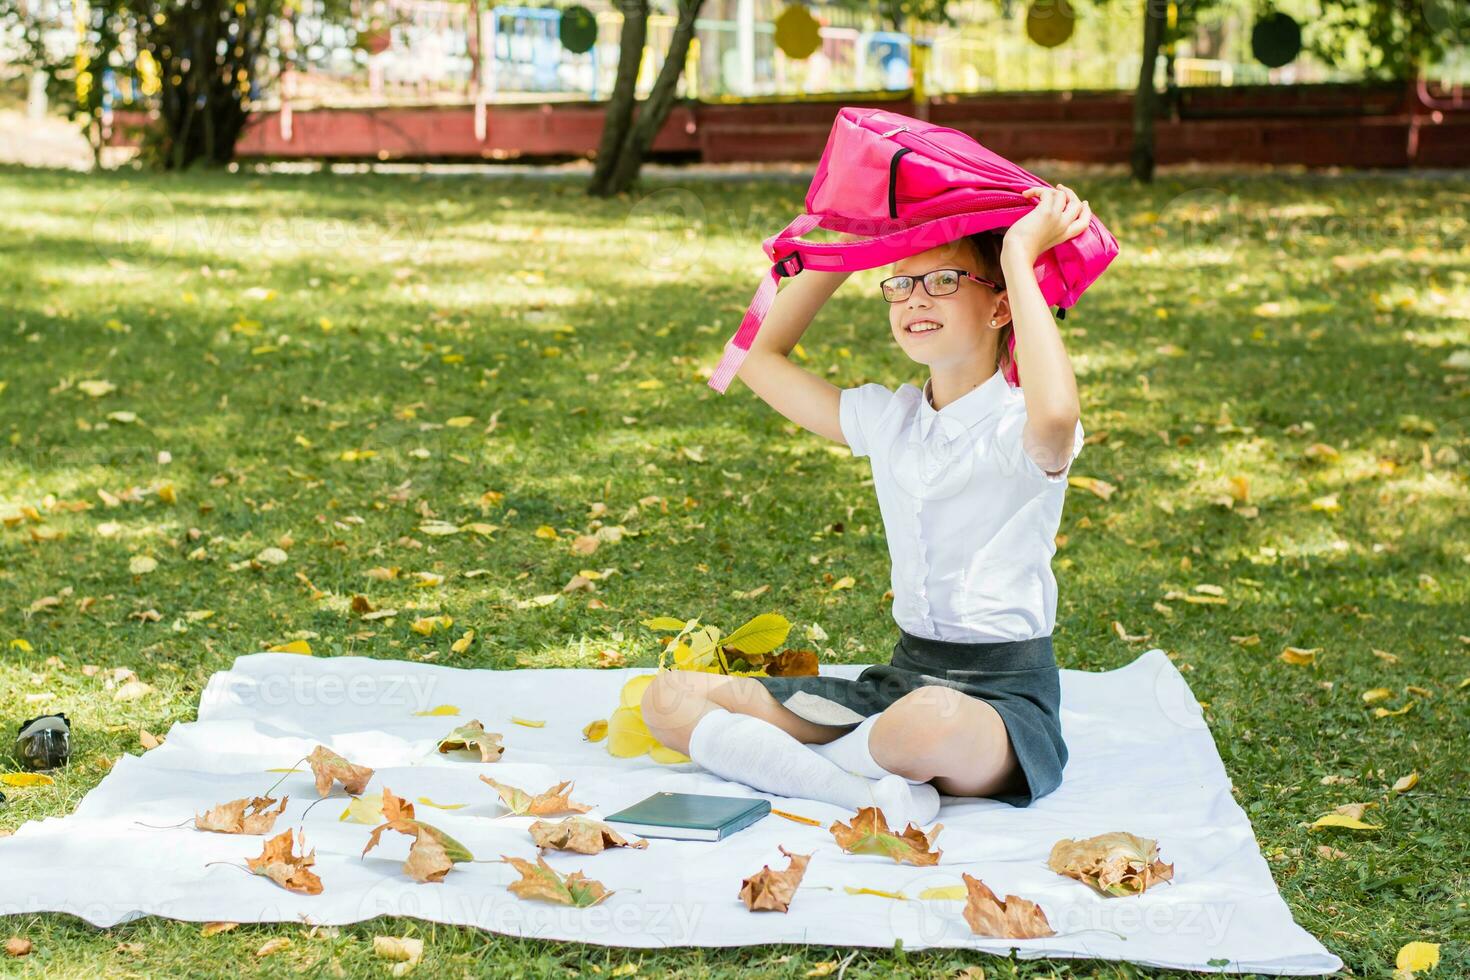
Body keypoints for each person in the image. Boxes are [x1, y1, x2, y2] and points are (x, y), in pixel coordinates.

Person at [642, 184, 1094, 828]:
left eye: (940, 280)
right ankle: (858, 792)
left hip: (997, 696)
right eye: (900, 283)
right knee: (667, 700)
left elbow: (1058, 412)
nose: (914, 297)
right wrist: (849, 249)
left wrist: (1020, 253)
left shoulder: (1019, 423)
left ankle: (843, 767)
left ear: (1000, 307)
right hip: (897, 680)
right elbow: (758, 359)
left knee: (919, 729)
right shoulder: (892, 418)